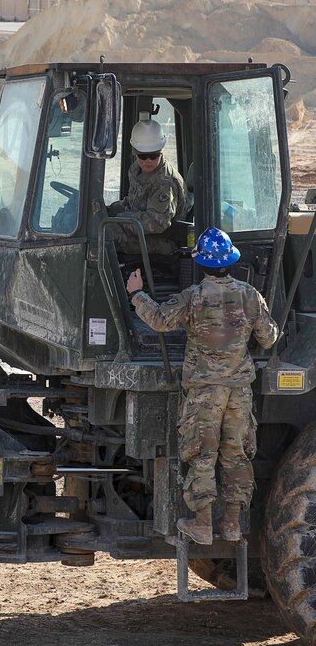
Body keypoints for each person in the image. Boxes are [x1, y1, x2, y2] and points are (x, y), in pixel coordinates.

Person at [125, 228, 279, 545]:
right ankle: (233, 524)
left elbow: (158, 320)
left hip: (205, 393)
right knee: (236, 456)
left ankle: (203, 524)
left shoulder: (193, 297)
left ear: (202, 264)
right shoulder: (250, 295)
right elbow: (269, 337)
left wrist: (136, 294)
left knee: (203, 456)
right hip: (239, 391)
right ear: (231, 261)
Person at [108, 112, 187, 256]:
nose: (148, 160)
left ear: (161, 151)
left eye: (154, 155)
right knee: (100, 224)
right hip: (141, 232)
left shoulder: (165, 182)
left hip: (163, 241)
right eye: (143, 156)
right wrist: (108, 211)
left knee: (106, 234)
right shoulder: (136, 170)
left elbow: (156, 223)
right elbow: (133, 203)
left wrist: (122, 219)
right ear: (135, 152)